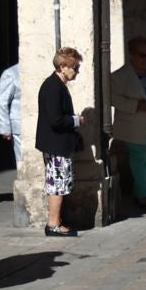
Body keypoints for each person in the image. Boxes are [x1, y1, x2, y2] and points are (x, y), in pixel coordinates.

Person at [109, 36, 146, 210]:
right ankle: (144, 196)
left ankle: (137, 191)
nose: (145, 59)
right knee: (139, 159)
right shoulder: (120, 76)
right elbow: (111, 98)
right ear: (132, 54)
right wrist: (133, 105)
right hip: (132, 126)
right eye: (142, 55)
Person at [37, 47, 84, 237]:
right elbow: (55, 119)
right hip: (56, 144)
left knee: (60, 183)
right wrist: (76, 120)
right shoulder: (52, 87)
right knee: (57, 184)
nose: (77, 72)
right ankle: (53, 225)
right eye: (75, 68)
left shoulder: (57, 85)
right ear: (63, 66)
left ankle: (56, 222)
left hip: (59, 144)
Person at [0, 61, 23, 167]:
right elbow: (2, 101)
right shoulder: (11, 73)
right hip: (19, 124)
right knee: (22, 160)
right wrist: (5, 128)